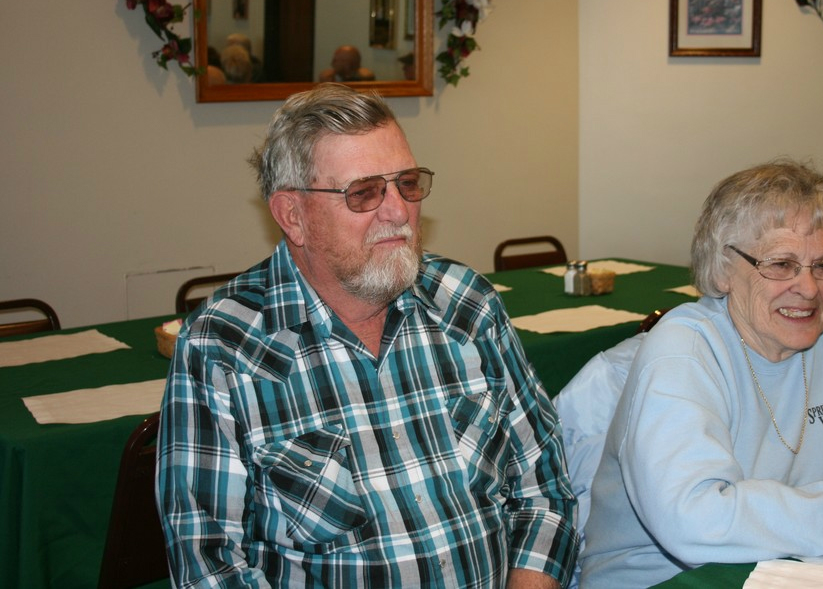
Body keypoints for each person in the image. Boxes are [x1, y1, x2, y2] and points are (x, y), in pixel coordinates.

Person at [156, 84, 578, 588]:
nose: (398, 211)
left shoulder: (465, 303)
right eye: (364, 192)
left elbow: (543, 488)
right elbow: (209, 566)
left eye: (407, 183)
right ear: (293, 215)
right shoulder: (223, 347)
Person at [577, 161, 823, 589]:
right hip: (666, 579)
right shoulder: (684, 350)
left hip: (796, 563)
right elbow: (694, 520)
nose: (809, 288)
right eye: (782, 264)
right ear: (723, 270)